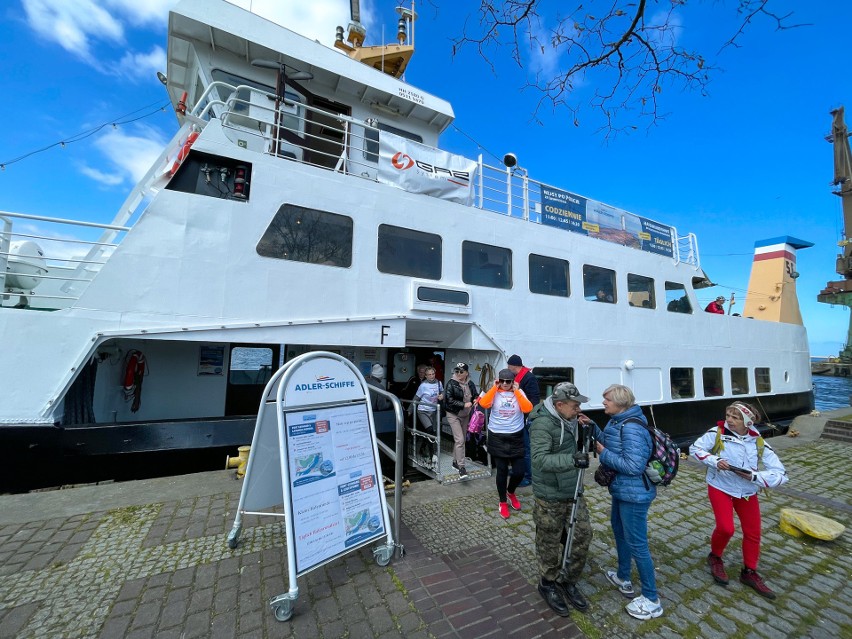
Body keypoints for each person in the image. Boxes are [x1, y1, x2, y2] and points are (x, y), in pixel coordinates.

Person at [689, 401, 788, 599]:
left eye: (736, 417)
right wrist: (715, 461)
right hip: (720, 486)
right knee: (726, 528)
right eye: (728, 415)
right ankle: (715, 556)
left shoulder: (758, 441)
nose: (730, 420)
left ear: (748, 422)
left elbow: (781, 474)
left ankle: (749, 572)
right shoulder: (717, 432)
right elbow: (695, 449)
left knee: (753, 533)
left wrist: (755, 477)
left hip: (747, 491)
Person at [594, 384, 663, 620]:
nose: (603, 402)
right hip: (622, 491)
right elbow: (609, 442)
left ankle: (652, 599)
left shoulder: (631, 428)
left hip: (634, 494)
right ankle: (624, 577)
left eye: (607, 400)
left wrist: (603, 454)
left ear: (621, 403)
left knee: (638, 544)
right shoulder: (617, 421)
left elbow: (633, 466)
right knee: (619, 532)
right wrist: (591, 426)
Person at [530, 382, 596, 617]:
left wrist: (587, 429)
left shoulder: (570, 419)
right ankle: (547, 583)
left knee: (582, 535)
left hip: (572, 489)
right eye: (575, 405)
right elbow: (538, 460)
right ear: (559, 405)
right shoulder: (542, 425)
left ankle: (568, 580)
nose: (578, 408)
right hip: (550, 494)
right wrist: (572, 460)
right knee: (549, 540)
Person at [479, 368, 532, 519]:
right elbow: (484, 403)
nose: (505, 384)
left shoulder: (519, 392)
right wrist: (494, 388)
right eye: (502, 381)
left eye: (508, 381)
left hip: (515, 436)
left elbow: (528, 408)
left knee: (519, 471)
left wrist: (516, 392)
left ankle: (511, 492)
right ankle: (502, 501)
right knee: (501, 470)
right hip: (497, 435)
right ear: (498, 381)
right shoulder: (494, 391)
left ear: (513, 382)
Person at [506, 354, 540, 487]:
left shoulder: (529, 378)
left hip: (527, 418)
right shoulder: (516, 377)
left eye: (509, 366)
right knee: (518, 447)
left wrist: (529, 415)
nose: (508, 368)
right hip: (518, 417)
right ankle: (518, 470)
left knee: (526, 448)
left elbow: (534, 399)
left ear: (514, 366)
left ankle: (528, 476)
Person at [443, 362, 478, 479]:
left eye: (461, 371)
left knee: (460, 440)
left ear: (467, 373)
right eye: (456, 371)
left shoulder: (470, 383)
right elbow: (449, 400)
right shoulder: (451, 383)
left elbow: (475, 395)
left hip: (465, 415)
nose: (458, 373)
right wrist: (464, 404)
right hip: (453, 414)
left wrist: (475, 399)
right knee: (460, 440)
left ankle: (455, 461)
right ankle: (462, 468)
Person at [413, 366, 444, 463]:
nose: (431, 376)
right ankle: (432, 454)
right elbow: (416, 398)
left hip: (433, 410)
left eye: (433, 374)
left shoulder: (439, 383)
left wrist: (442, 395)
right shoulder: (423, 385)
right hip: (423, 411)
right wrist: (409, 411)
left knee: (432, 432)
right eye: (429, 374)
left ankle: (422, 448)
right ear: (425, 376)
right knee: (430, 430)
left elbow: (442, 391)